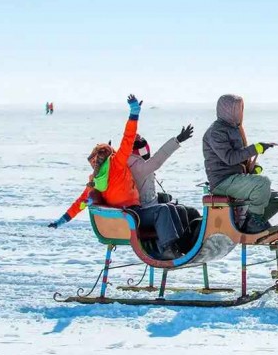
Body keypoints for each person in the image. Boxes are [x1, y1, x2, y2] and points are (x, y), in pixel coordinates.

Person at [48, 94, 186, 259]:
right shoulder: (117, 163)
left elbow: (81, 203)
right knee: (164, 209)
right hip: (133, 216)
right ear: (110, 154)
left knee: (168, 208)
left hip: (122, 218)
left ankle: (178, 246)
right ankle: (168, 249)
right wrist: (134, 113)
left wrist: (62, 221)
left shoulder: (95, 180)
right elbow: (128, 138)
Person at [202, 94, 278, 234]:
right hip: (223, 181)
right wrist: (255, 149)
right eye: (237, 109)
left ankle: (256, 220)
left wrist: (249, 170)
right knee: (262, 183)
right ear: (227, 109)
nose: (240, 112)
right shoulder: (216, 132)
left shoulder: (233, 128)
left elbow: (237, 157)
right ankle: (252, 223)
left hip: (234, 178)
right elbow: (230, 158)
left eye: (241, 108)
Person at [128, 126, 201, 250]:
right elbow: (157, 160)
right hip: (145, 210)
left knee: (185, 211)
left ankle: (190, 242)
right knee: (174, 211)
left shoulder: (136, 164)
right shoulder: (137, 166)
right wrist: (176, 140)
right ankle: (181, 245)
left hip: (150, 204)